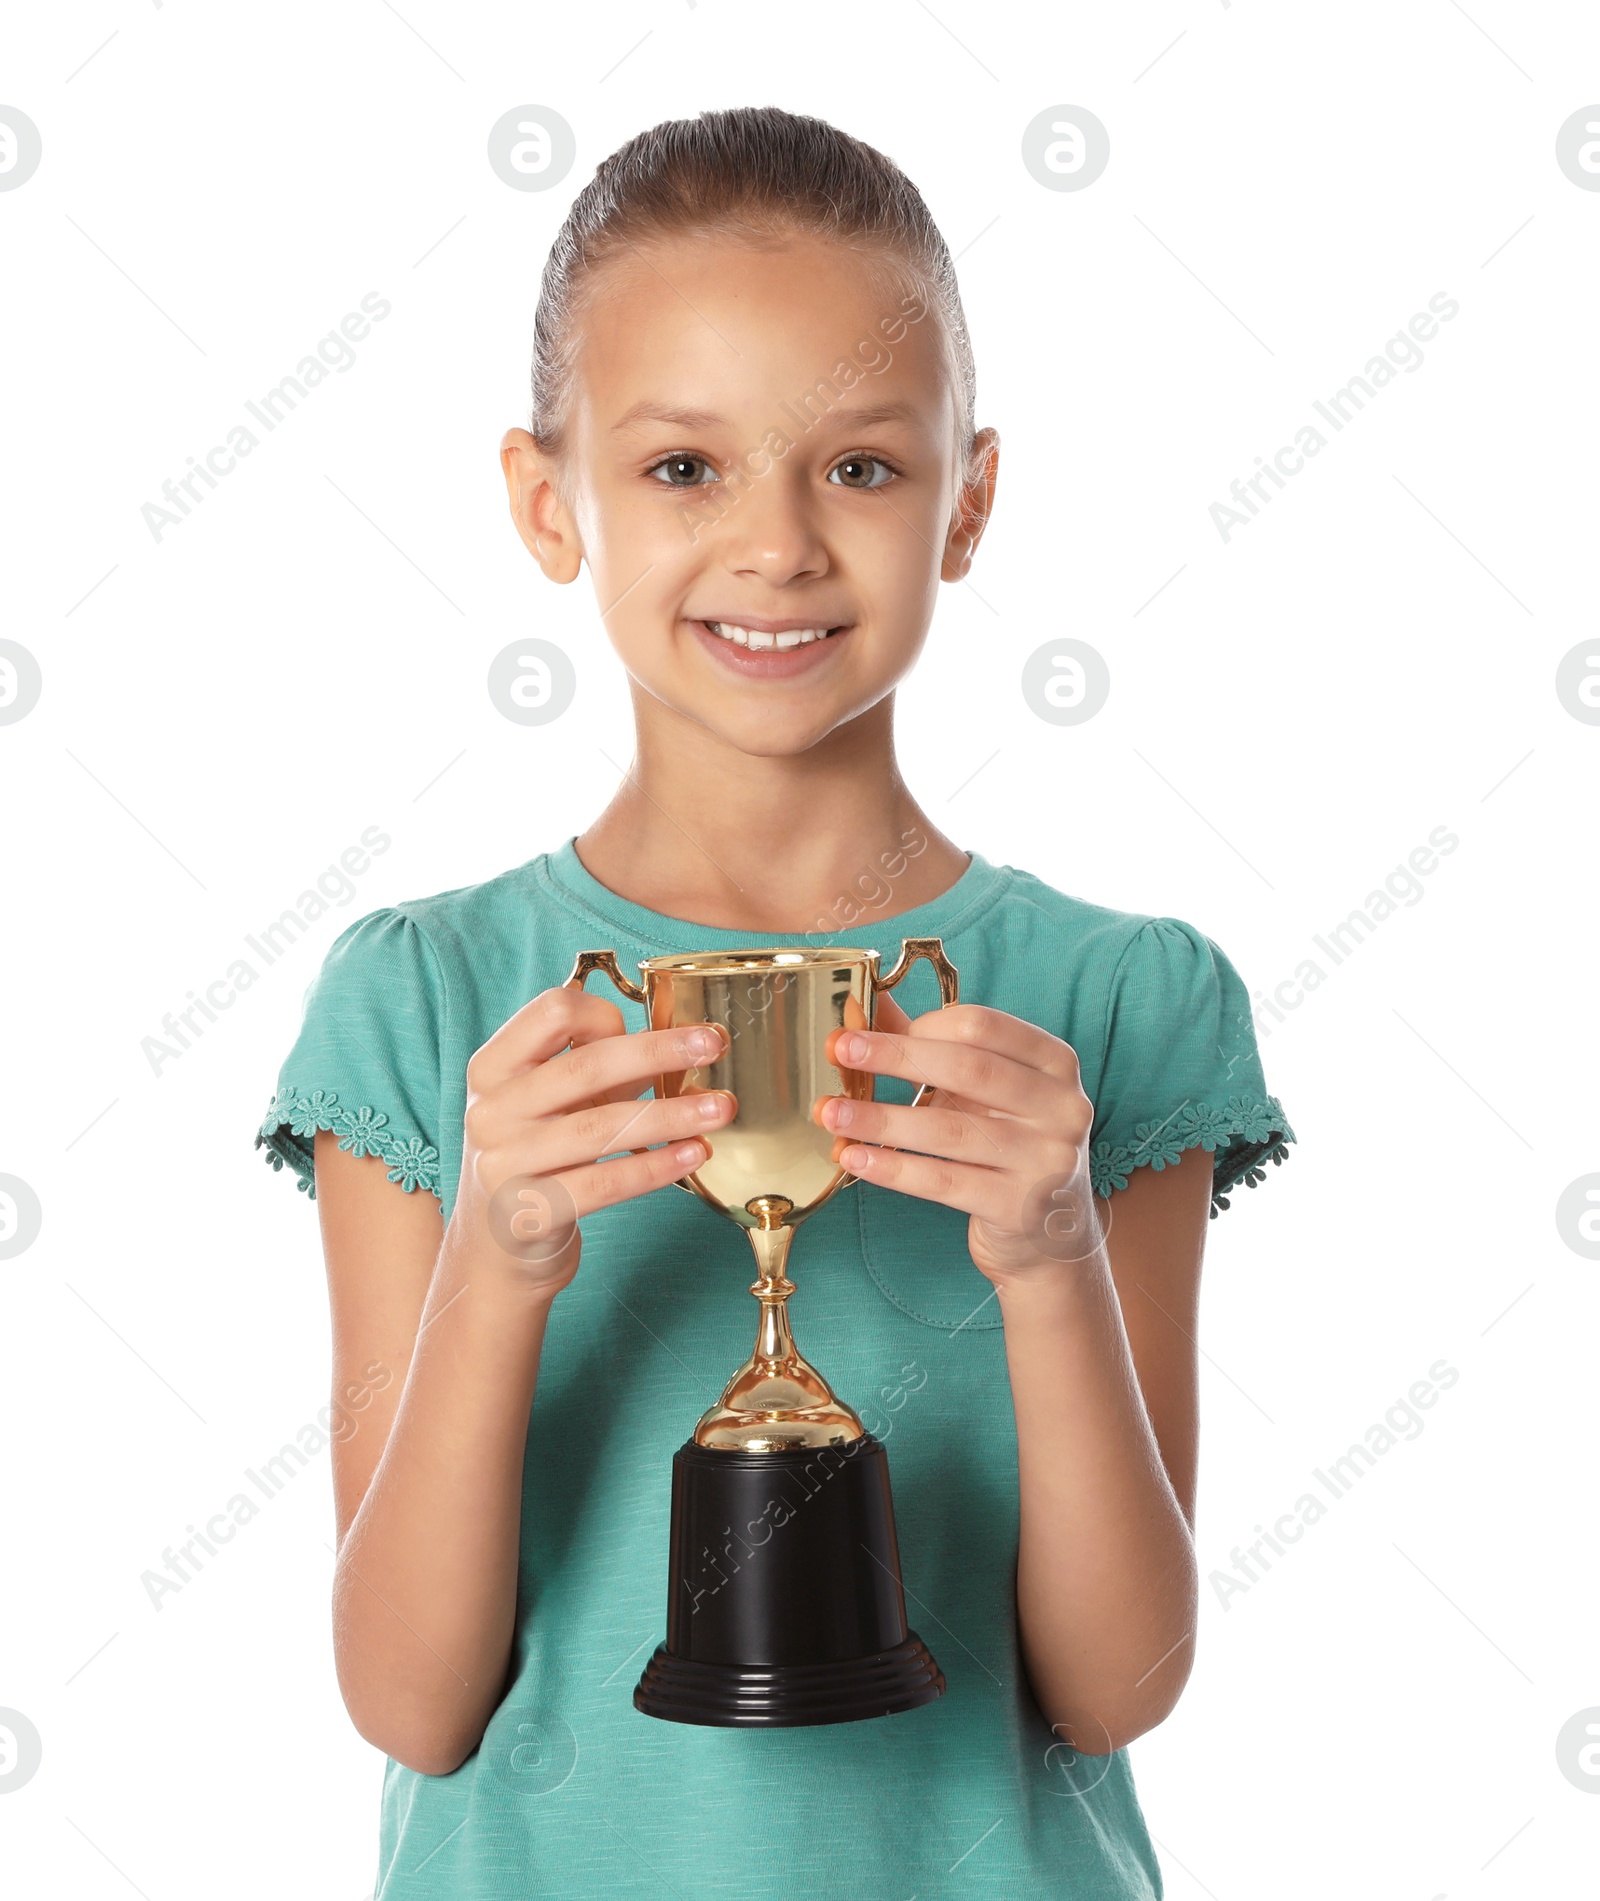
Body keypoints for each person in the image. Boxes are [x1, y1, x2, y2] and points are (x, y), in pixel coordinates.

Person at [256, 105, 1294, 1900]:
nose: (779, 545)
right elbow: (409, 1702)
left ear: (967, 499)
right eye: (682, 469)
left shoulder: (1117, 1005)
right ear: (542, 500)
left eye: (862, 469)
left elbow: (1118, 1685)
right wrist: (498, 1257)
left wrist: (1048, 1259)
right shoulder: (428, 1004)